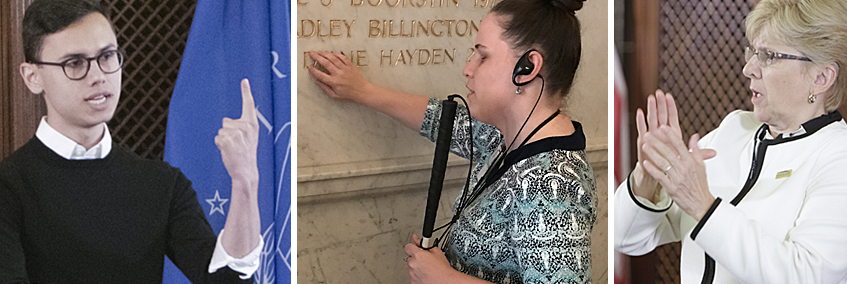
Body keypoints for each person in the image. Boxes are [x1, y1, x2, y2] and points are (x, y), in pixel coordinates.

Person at [307, 0, 596, 282]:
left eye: (482, 56)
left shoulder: (551, 184)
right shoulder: (508, 138)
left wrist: (443, 278)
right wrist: (363, 91)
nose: (467, 69)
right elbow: (444, 122)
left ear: (528, 67)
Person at [0, 0, 263, 282]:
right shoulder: (9, 187)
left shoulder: (162, 184)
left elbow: (226, 280)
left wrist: (245, 180)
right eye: (74, 63)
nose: (99, 76)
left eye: (107, 56)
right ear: (32, 77)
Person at [614, 0, 847, 283]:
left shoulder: (837, 155)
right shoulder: (732, 131)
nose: (749, 68)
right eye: (753, 52)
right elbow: (626, 239)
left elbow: (807, 274)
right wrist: (646, 178)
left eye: (769, 56)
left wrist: (703, 206)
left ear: (821, 77)